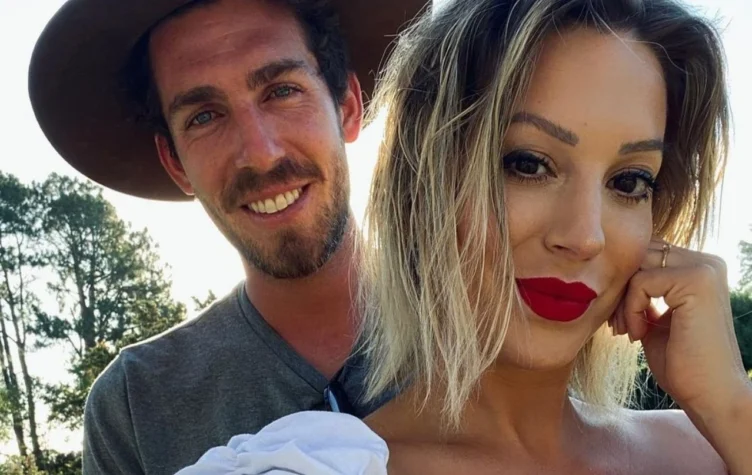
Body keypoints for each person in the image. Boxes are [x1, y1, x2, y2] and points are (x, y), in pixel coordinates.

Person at [178, 0, 752, 473]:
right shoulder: (314, 466)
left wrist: (729, 408)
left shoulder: (710, 449)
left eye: (629, 182)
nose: (584, 237)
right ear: (424, 184)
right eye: (527, 164)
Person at [27, 0, 426, 474]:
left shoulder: (484, 327)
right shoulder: (135, 406)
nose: (259, 153)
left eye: (281, 91)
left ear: (347, 107)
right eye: (204, 117)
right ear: (176, 163)